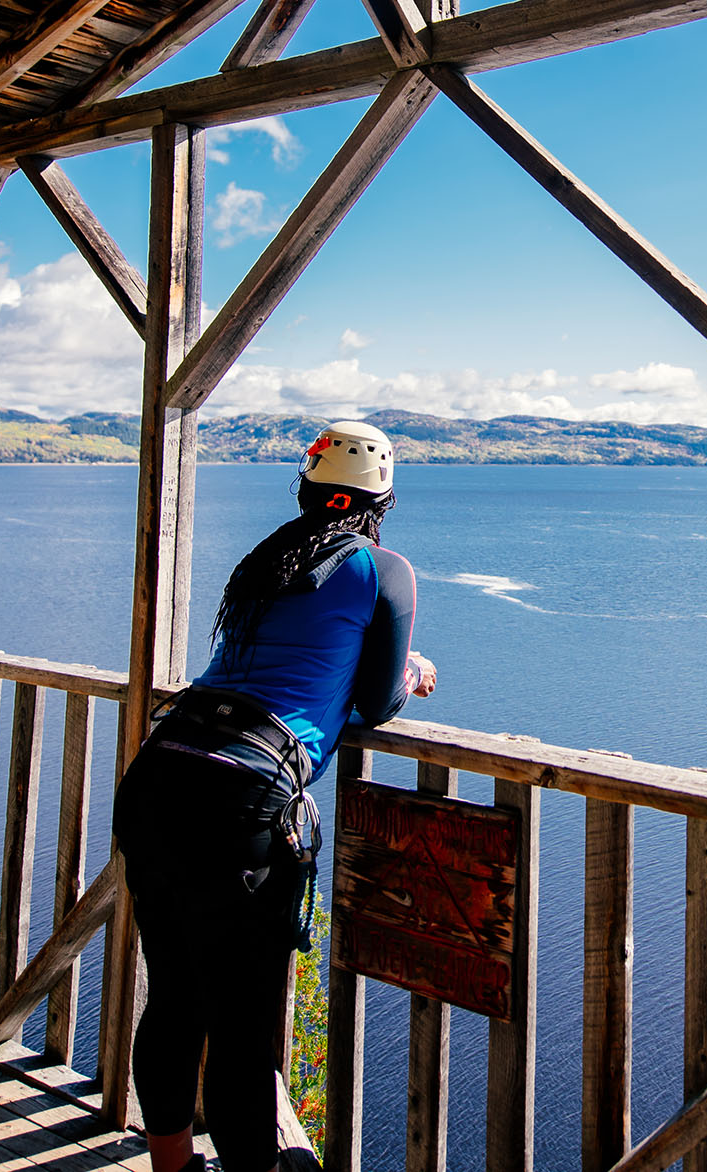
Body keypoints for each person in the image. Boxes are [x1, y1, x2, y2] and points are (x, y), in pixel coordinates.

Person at [113, 421, 436, 1172]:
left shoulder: (266, 558)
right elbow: (377, 702)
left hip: (161, 773)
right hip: (244, 799)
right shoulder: (382, 570)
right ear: (383, 502)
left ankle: (172, 1168)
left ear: (305, 489)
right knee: (242, 1025)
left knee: (174, 997)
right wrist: (413, 671)